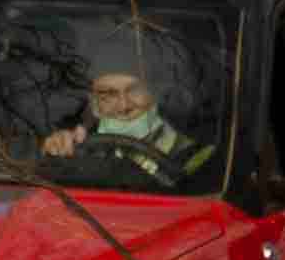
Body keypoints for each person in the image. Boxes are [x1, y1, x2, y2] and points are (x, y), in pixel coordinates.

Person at [42, 22, 190, 172]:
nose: (123, 105)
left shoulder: (193, 155)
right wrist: (57, 150)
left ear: (155, 90)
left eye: (135, 90)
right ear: (93, 102)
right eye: (108, 94)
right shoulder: (81, 148)